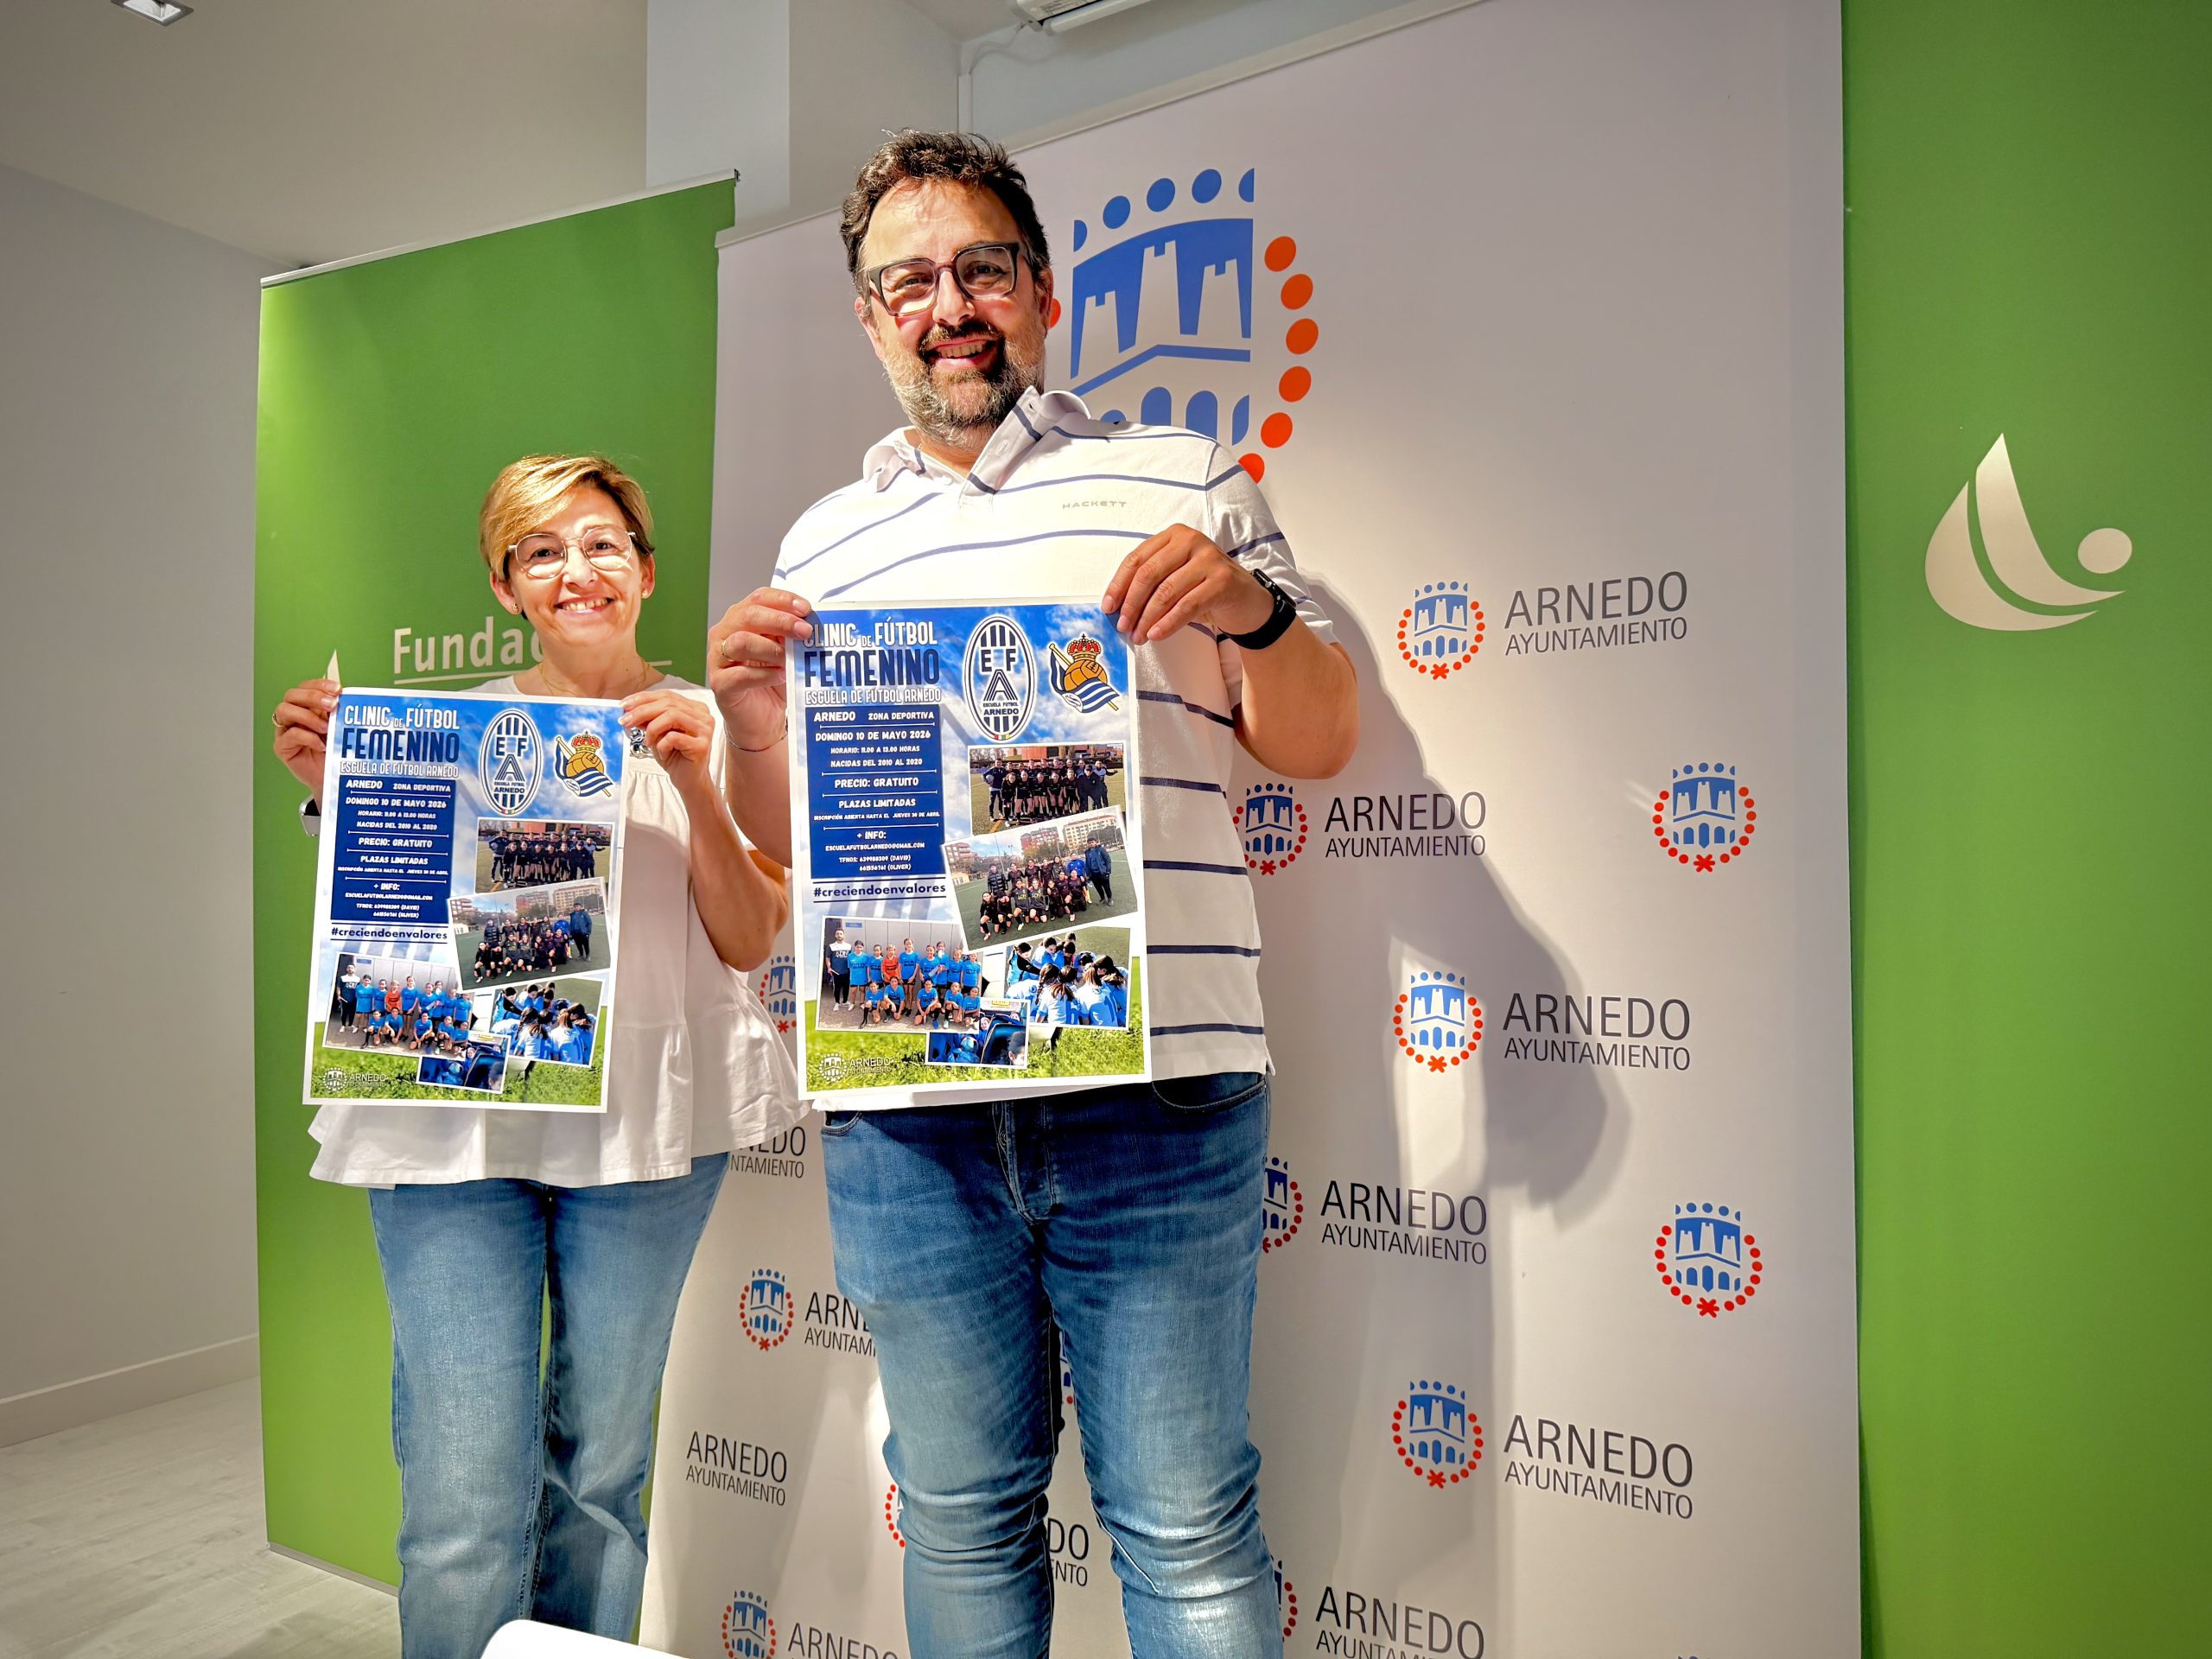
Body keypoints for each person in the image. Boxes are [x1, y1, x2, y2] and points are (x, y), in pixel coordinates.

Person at [702, 133, 1358, 1656]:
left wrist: (1252, 610)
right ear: (870, 318)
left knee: (1186, 1529)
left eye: (982, 268)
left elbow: (1318, 740)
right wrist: (748, 716)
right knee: (956, 1519)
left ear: (1044, 293)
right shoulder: (823, 545)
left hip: (1156, 1097)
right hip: (909, 1113)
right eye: (909, 282)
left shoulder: (1183, 480)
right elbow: (802, 846)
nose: (950, 306)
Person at [270, 454, 799, 1659]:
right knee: (463, 1502)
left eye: (603, 543)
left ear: (646, 569)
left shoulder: (719, 726)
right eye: (541, 552)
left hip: (649, 1137)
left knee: (601, 1481)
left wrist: (696, 786)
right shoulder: (438, 734)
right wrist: (337, 792)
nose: (578, 571)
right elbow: (401, 934)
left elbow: (749, 938)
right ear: (505, 587)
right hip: (455, 1136)